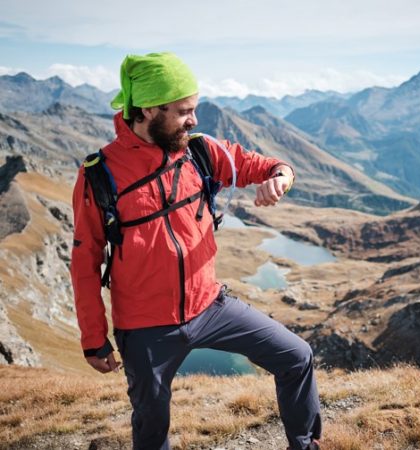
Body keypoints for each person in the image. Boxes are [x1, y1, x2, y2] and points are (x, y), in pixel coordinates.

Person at [70, 52, 322, 450]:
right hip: (144, 325)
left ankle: (305, 445)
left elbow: (268, 164)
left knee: (297, 356)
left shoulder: (200, 151)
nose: (194, 119)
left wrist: (281, 178)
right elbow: (84, 262)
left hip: (211, 307)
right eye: (185, 110)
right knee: (151, 428)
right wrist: (94, 338)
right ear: (150, 109)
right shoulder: (99, 174)